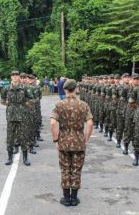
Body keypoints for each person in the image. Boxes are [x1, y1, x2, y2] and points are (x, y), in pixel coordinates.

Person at [50, 79, 93, 207]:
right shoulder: (83, 105)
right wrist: (86, 139)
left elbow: (52, 123)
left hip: (63, 142)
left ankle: (65, 198)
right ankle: (74, 198)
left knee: (65, 169)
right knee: (76, 169)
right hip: (79, 141)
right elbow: (90, 123)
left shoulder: (59, 105)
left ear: (65, 90)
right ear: (76, 89)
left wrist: (55, 140)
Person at [1, 71, 34, 166]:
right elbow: (2, 99)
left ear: (19, 77)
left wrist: (25, 105)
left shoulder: (24, 88)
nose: (15, 77)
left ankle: (25, 158)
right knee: (10, 137)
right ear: (11, 77)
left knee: (24, 137)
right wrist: (9, 105)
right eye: (13, 75)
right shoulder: (6, 88)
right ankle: (9, 157)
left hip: (22, 115)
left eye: (17, 75)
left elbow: (31, 99)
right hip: (11, 116)